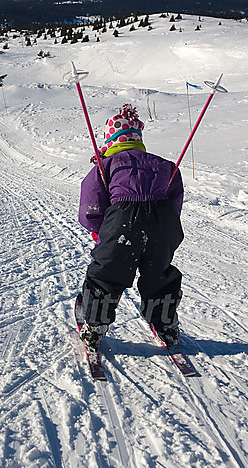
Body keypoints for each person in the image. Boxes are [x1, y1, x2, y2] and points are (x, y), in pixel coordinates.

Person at [77, 104, 184, 351]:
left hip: (121, 224)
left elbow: (90, 203)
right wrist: (166, 230)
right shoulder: (166, 165)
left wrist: (98, 229)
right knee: (159, 274)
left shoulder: (107, 166)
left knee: (107, 274)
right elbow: (174, 201)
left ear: (111, 139)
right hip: (163, 224)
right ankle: (165, 325)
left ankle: (95, 326)